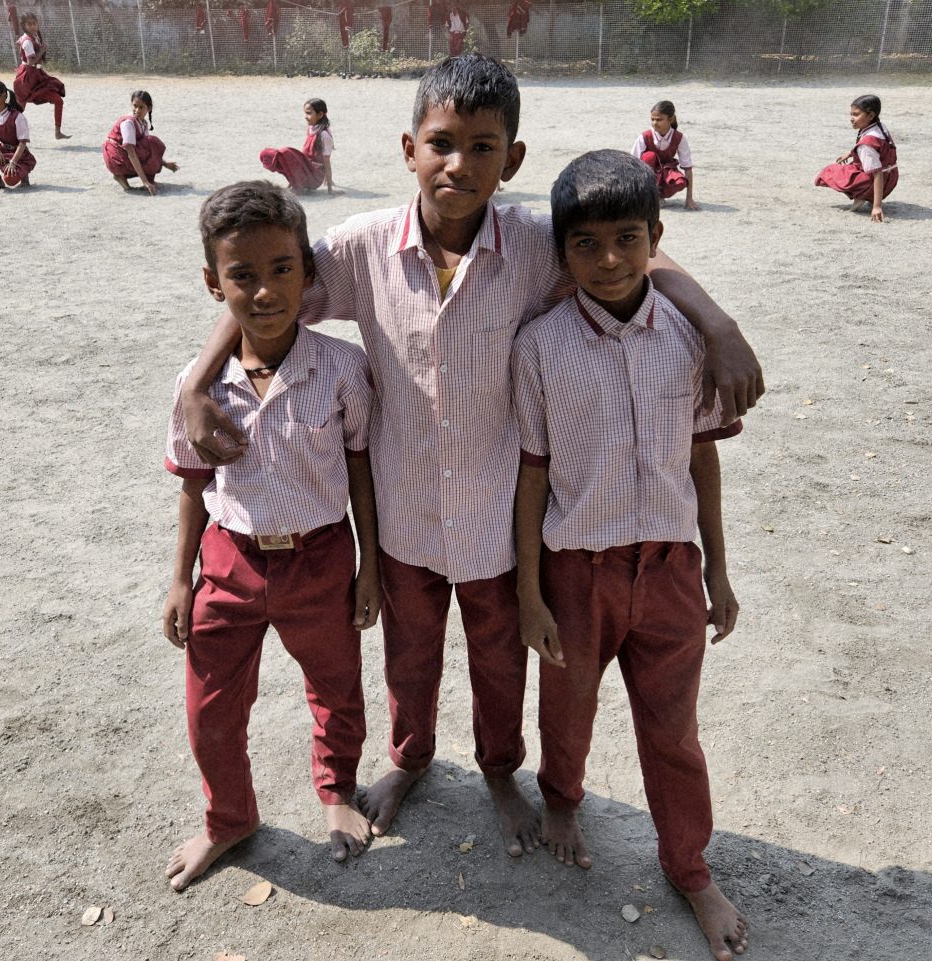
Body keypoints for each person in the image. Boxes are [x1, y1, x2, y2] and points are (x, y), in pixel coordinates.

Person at [180, 54, 764, 859]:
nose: (459, 163)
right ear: (408, 148)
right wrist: (199, 380)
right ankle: (410, 759)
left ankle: (499, 770)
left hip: (496, 517)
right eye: (441, 143)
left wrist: (720, 326)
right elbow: (266, 299)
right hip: (407, 516)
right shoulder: (359, 250)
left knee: (499, 662)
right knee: (409, 656)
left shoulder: (532, 247)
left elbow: (634, 255)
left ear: (511, 160)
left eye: (483, 147)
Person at [512, 149, 747, 961]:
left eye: (626, 239)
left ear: (656, 236)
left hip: (673, 569)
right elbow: (532, 474)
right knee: (567, 705)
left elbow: (703, 456)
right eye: (586, 244)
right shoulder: (540, 346)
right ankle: (563, 798)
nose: (608, 260)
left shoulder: (688, 336)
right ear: (561, 251)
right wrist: (530, 592)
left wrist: (717, 567)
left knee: (674, 729)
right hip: (577, 572)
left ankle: (689, 866)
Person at [162, 181, 381, 890]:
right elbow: (195, 485)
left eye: (282, 269)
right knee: (210, 706)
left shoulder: (342, 369)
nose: (264, 290)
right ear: (211, 281)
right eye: (242, 274)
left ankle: (338, 790)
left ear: (308, 273)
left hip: (319, 558)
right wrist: (179, 579)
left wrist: (368, 565)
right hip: (229, 561)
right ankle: (229, 818)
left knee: (337, 686)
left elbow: (360, 473)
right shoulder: (199, 388)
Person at [814, 94, 897, 224]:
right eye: (851, 114)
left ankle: (863, 195)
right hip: (892, 176)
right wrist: (850, 153)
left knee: (830, 171)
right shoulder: (879, 127)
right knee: (853, 166)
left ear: (870, 115)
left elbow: (877, 172)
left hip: (877, 181)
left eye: (856, 115)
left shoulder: (867, 144)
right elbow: (879, 150)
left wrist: (877, 207)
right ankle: (867, 195)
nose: (852, 119)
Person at [102, 90, 179, 195]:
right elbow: (131, 153)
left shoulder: (143, 123)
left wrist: (165, 164)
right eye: (135, 106)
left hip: (125, 154)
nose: (137, 110)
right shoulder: (128, 123)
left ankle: (128, 176)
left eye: (141, 107)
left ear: (149, 108)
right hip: (116, 157)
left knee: (153, 144)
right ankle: (120, 175)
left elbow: (149, 149)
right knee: (151, 143)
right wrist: (145, 182)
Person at [260, 98, 338, 195]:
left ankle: (299, 187)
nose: (306, 117)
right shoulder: (311, 129)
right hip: (306, 169)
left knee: (285, 151)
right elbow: (300, 159)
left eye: (309, 113)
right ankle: (297, 185)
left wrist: (330, 189)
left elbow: (326, 162)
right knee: (270, 153)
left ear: (320, 114)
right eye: (305, 113)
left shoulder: (324, 135)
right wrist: (290, 184)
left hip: (314, 177)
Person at [631, 100, 697, 210]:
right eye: (652, 119)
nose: (654, 123)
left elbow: (688, 168)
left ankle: (659, 196)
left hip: (666, 172)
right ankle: (647, 196)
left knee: (680, 182)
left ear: (670, 120)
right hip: (648, 173)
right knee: (649, 156)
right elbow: (632, 165)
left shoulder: (679, 138)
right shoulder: (645, 136)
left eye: (659, 119)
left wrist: (689, 199)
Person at [13, 12, 70, 140]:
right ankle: (9, 132)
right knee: (19, 108)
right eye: (29, 24)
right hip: (28, 77)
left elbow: (23, 42)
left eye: (34, 23)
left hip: (36, 74)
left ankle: (57, 132)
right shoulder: (28, 41)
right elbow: (31, 62)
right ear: (24, 26)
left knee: (57, 100)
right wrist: (42, 50)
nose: (33, 26)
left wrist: (22, 41)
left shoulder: (31, 37)